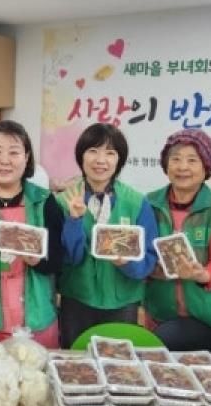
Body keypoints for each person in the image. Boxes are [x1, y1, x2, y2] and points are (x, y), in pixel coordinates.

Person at [0, 120, 64, 348]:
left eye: (14, 152)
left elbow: (58, 260)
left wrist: (37, 261)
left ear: (26, 157)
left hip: (36, 318)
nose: (4, 160)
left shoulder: (44, 201)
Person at [57, 123, 159, 348]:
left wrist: (127, 263)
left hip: (122, 301)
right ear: (81, 156)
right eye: (93, 151)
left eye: (110, 153)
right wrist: (74, 220)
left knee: (118, 361)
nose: (100, 160)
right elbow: (67, 258)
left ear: (119, 160)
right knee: (75, 359)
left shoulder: (136, 203)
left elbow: (149, 258)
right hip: (77, 299)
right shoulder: (63, 200)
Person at [144, 129, 211, 353]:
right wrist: (151, 268)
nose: (182, 167)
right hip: (159, 314)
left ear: (206, 167)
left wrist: (202, 275)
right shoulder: (149, 203)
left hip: (208, 319)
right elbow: (142, 252)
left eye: (192, 160)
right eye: (175, 159)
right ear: (166, 165)